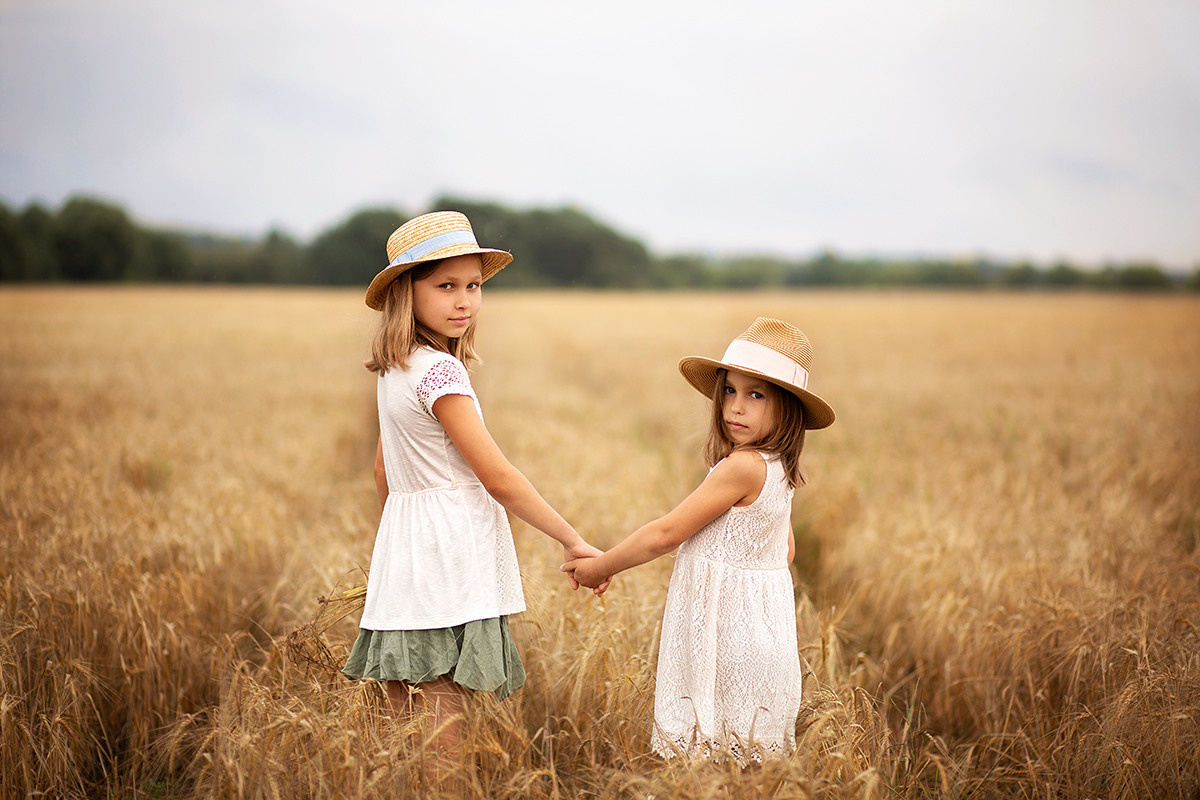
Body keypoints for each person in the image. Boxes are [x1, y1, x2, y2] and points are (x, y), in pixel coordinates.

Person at [343, 211, 607, 777]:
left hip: (407, 560)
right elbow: (499, 478)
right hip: (449, 566)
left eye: (474, 285)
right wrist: (572, 539)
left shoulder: (395, 369)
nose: (465, 301)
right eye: (445, 286)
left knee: (402, 741)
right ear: (404, 292)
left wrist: (403, 543)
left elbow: (382, 473)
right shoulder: (441, 373)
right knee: (443, 749)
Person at [563, 317, 836, 764]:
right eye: (729, 390)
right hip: (766, 636)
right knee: (746, 760)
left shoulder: (743, 467)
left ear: (787, 406)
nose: (735, 407)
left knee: (707, 758)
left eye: (755, 395)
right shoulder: (779, 468)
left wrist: (601, 566)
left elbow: (666, 534)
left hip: (724, 637)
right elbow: (785, 552)